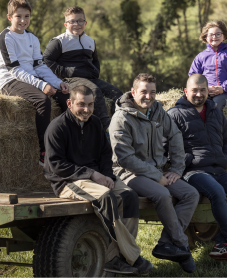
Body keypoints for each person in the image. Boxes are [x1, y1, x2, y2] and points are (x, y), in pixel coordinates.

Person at [43, 85, 153, 276]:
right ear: (69, 103)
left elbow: (104, 154)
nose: (86, 109)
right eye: (81, 104)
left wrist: (107, 176)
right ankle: (131, 256)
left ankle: (118, 258)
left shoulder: (95, 123)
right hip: (68, 182)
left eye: (91, 105)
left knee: (129, 196)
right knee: (106, 198)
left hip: (97, 178)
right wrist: (92, 174)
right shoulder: (57, 128)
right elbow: (56, 165)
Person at [109, 73, 200, 273]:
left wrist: (176, 169)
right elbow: (125, 158)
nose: (148, 97)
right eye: (143, 92)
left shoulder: (158, 111)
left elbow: (175, 135)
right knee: (162, 194)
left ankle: (166, 243)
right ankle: (181, 244)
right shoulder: (121, 117)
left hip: (158, 170)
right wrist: (156, 176)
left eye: (152, 92)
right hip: (129, 173)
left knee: (190, 194)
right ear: (133, 92)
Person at [167, 74, 227, 268]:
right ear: (186, 91)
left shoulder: (215, 111)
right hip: (194, 172)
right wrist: (188, 161)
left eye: (203, 90)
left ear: (208, 91)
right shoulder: (174, 115)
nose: (199, 94)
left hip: (218, 168)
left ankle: (223, 241)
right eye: (194, 90)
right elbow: (167, 148)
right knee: (217, 192)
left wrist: (225, 159)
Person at [0, 0, 69, 166]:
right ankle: (44, 152)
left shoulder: (32, 38)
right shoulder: (5, 38)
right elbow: (15, 70)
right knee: (43, 101)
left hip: (30, 78)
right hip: (10, 80)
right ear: (9, 17)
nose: (22, 20)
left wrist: (58, 82)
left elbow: (40, 66)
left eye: (26, 16)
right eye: (18, 16)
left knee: (66, 99)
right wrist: (42, 85)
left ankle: (66, 145)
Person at [43, 6, 122, 132]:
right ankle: (106, 131)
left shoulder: (90, 41)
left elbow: (95, 59)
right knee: (94, 92)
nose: (76, 24)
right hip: (70, 79)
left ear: (85, 23)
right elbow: (46, 61)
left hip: (89, 78)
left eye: (80, 21)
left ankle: (120, 127)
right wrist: (67, 71)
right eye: (72, 21)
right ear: (65, 24)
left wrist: (96, 71)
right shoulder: (58, 42)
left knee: (117, 94)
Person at [188, 20, 227, 110]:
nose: (214, 37)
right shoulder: (200, 56)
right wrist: (204, 88)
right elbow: (193, 76)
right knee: (186, 104)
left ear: (224, 36)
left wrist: (223, 88)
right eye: (211, 35)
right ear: (206, 37)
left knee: (214, 105)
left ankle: (211, 125)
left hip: (226, 93)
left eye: (218, 34)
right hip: (204, 93)